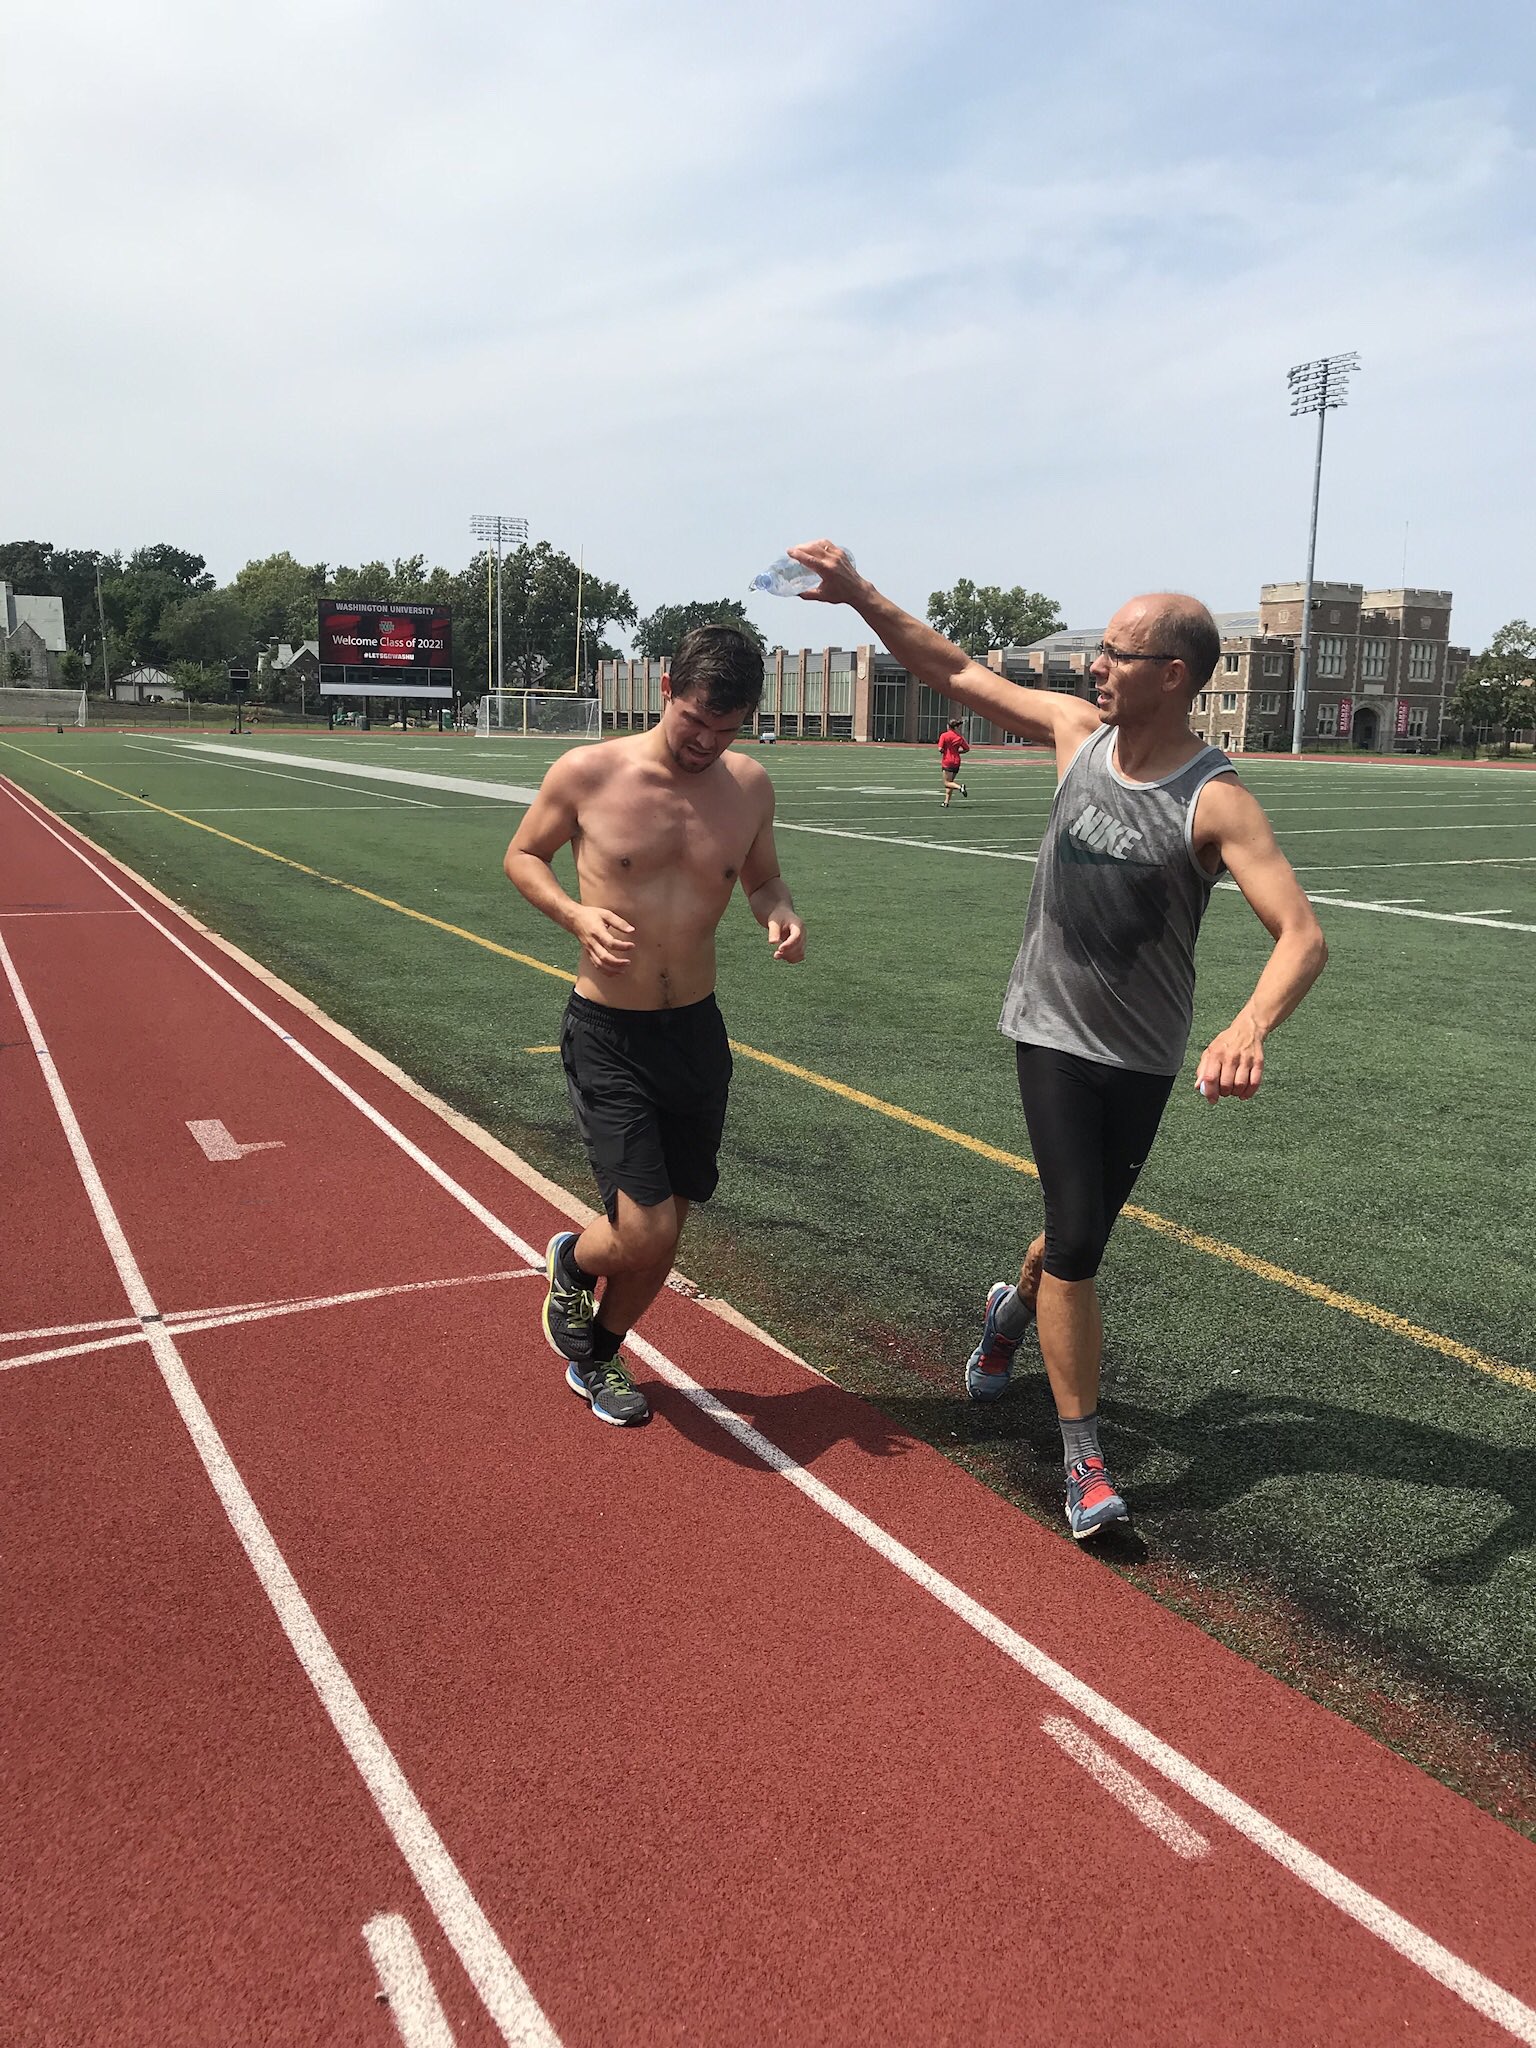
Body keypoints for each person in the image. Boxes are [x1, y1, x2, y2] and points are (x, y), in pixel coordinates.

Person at [788, 540, 1327, 1537]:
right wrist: (862, 593)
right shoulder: (1075, 732)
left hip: (1146, 1053)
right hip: (1048, 1028)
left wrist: (1248, 1023)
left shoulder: (1216, 799)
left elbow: (1302, 934)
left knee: (1076, 1237)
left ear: (1173, 674)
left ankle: (1009, 1310)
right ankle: (1084, 1466)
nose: (1097, 666)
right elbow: (952, 669)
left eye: (1118, 652)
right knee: (1079, 1237)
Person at [504, 625, 805, 1425]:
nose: (707, 743)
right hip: (609, 1030)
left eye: (727, 729)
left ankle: (599, 1358)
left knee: (665, 1237)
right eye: (694, 722)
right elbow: (523, 856)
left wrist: (781, 914)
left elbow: (765, 877)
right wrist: (576, 915)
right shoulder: (588, 772)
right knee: (641, 1231)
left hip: (696, 1036)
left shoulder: (749, 786)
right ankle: (572, 1257)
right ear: (666, 689)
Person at [939, 713, 969, 806]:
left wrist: (944, 751)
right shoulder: (959, 737)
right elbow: (967, 749)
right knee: (950, 782)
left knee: (946, 783)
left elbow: (940, 748)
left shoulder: (944, 735)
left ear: (948, 726)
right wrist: (958, 752)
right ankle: (946, 802)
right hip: (956, 761)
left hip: (947, 761)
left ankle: (960, 787)